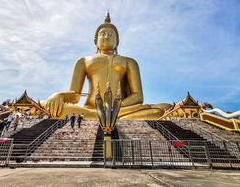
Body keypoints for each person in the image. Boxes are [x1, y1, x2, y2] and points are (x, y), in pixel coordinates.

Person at [41, 12, 170, 120]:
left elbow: (138, 96)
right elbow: (75, 95)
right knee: (46, 104)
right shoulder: (84, 61)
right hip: (90, 109)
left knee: (162, 109)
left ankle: (108, 116)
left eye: (111, 34)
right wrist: (59, 96)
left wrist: (117, 106)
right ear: (96, 41)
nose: (106, 37)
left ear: (117, 42)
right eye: (102, 34)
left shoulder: (129, 62)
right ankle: (107, 117)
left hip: (121, 108)